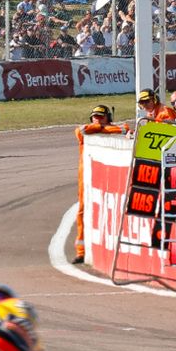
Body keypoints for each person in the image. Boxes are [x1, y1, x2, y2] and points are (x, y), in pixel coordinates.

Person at [74, 104, 127, 263]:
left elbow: (124, 129)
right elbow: (81, 130)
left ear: (108, 117)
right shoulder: (85, 130)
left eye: (100, 117)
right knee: (82, 211)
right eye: (94, 117)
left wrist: (103, 129)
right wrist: (102, 128)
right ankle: (81, 251)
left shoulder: (116, 128)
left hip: (110, 175)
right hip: (86, 177)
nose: (97, 120)